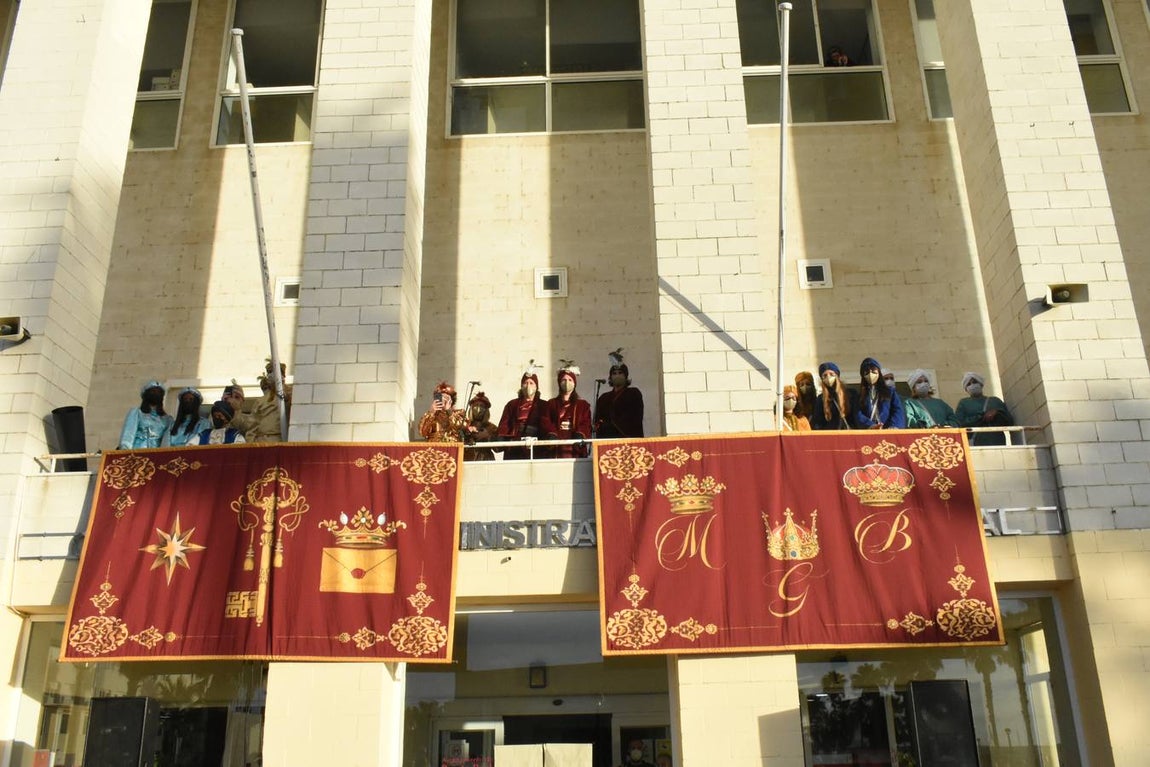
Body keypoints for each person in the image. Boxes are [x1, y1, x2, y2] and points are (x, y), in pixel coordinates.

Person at [542, 362, 592, 458]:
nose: (567, 382)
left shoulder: (583, 405)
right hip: (556, 442)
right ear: (559, 383)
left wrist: (580, 434)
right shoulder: (551, 404)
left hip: (575, 444)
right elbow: (545, 421)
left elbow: (586, 423)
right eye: (564, 380)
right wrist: (551, 433)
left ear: (574, 383)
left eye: (570, 380)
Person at [232, 361, 290, 442]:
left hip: (279, 439)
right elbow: (252, 425)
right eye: (269, 373)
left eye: (273, 372)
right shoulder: (260, 401)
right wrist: (251, 442)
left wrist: (283, 389)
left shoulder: (290, 392)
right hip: (261, 441)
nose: (270, 375)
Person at [497, 368, 547, 460]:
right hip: (515, 446)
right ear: (521, 386)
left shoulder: (544, 405)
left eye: (531, 383)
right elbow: (504, 424)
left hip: (537, 447)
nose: (528, 386)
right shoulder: (512, 404)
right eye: (525, 383)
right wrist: (502, 437)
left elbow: (547, 425)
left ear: (536, 386)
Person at [594, 351, 644, 438]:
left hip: (628, 438)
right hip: (607, 439)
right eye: (614, 373)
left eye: (620, 373)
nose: (617, 376)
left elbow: (635, 418)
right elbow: (598, 420)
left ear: (626, 376)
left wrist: (612, 424)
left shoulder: (634, 393)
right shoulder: (603, 398)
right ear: (610, 377)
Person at [956, 371, 1013, 446]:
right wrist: (980, 417)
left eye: (975, 382)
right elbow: (959, 423)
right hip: (976, 442)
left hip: (996, 440)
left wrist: (997, 413)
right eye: (969, 384)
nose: (972, 385)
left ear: (981, 384)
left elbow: (1009, 421)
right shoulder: (963, 403)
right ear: (966, 389)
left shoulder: (995, 401)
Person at [118, 380, 174, 449]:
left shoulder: (167, 420)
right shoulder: (137, 413)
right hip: (137, 451)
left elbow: (166, 441)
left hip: (155, 454)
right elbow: (128, 434)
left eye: (159, 392)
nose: (156, 394)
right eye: (153, 391)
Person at [854, 357, 905, 429]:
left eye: (873, 371)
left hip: (888, 431)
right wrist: (870, 425)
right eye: (867, 372)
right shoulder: (859, 396)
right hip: (869, 431)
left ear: (879, 373)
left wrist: (894, 426)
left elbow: (897, 410)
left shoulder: (890, 392)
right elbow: (858, 415)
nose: (870, 374)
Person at [809, 362, 857, 430]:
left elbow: (857, 416)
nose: (828, 377)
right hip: (831, 435)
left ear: (837, 376)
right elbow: (817, 422)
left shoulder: (851, 394)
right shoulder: (821, 399)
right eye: (825, 376)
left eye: (831, 374)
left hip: (849, 434)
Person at [463, 392, 498, 461]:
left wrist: (489, 438)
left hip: (485, 460)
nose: (478, 409)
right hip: (468, 459)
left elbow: (497, 449)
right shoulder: (464, 425)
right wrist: (466, 432)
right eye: (476, 405)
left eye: (482, 406)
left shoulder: (491, 427)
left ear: (486, 410)